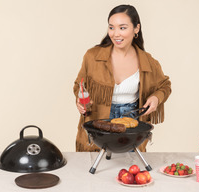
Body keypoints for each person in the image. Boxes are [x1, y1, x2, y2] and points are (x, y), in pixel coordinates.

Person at [73, 4, 171, 152]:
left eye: (122, 28)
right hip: (98, 121)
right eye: (111, 27)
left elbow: (165, 85)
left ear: (136, 29)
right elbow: (78, 85)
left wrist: (156, 98)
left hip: (131, 123)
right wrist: (79, 100)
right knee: (96, 166)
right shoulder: (92, 56)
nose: (115, 34)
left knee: (128, 168)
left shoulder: (148, 61)